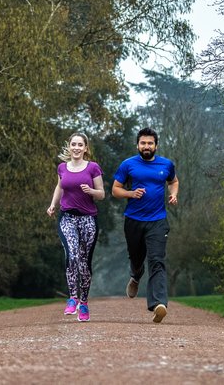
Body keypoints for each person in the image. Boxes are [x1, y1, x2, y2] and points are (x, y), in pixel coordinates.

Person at [111, 127, 179, 323]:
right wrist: (131, 194)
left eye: (150, 143)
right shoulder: (128, 165)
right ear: (138, 145)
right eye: (143, 143)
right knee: (136, 257)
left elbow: (173, 181)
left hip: (157, 220)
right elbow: (116, 189)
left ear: (156, 145)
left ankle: (159, 305)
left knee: (157, 260)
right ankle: (135, 275)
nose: (146, 146)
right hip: (133, 220)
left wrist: (173, 194)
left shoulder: (166, 164)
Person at [47, 133, 105, 322]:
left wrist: (91, 191)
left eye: (80, 145)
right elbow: (60, 187)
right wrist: (53, 204)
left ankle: (84, 302)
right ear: (69, 146)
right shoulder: (62, 167)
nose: (77, 148)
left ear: (86, 148)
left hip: (88, 219)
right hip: (67, 218)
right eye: (74, 144)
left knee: (84, 261)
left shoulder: (93, 167)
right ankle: (72, 298)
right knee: (71, 254)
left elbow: (102, 194)